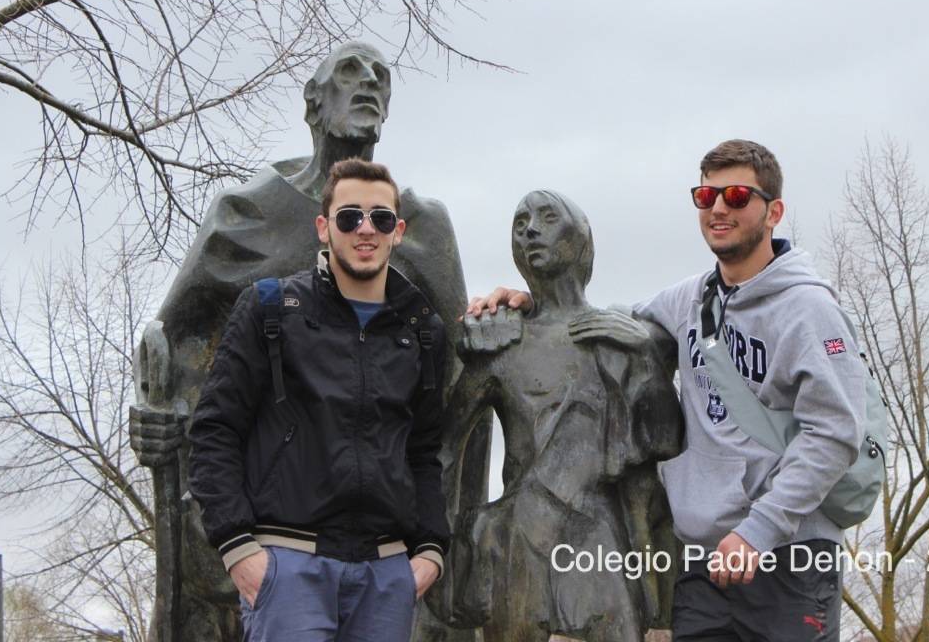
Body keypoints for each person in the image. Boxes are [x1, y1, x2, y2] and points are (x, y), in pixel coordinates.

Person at [128, 41, 477, 641]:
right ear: (313, 102)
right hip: (284, 558)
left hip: (386, 567)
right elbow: (171, 345)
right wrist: (155, 416)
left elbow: (454, 393)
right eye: (348, 72)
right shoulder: (247, 214)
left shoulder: (427, 234)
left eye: (379, 76)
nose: (367, 82)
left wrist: (430, 552)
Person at [466, 140, 868, 641]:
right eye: (707, 196)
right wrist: (531, 303)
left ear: (774, 211)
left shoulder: (808, 309)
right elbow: (588, 324)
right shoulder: (687, 300)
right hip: (703, 565)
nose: (720, 207)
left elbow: (835, 432)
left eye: (738, 195)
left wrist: (759, 530)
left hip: (787, 556)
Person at [188, 158, 449, 641]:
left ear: (398, 231)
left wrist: (431, 550)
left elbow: (424, 451)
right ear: (324, 228)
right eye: (350, 217)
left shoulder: (423, 331)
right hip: (288, 568)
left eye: (381, 218)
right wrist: (238, 547)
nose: (365, 229)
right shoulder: (270, 309)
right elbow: (214, 430)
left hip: (386, 576)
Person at [431, 190, 681, 641]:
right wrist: (438, 549)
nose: (530, 230)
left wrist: (644, 355)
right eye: (521, 222)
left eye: (548, 218)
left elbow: (664, 444)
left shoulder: (622, 335)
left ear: (582, 237)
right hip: (520, 545)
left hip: (606, 547)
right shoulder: (501, 343)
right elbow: (446, 451)